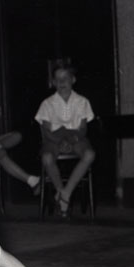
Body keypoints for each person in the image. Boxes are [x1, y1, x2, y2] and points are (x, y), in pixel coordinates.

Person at [35, 62, 96, 217]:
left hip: (75, 137)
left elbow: (83, 128)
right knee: (47, 157)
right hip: (54, 138)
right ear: (53, 82)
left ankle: (66, 193)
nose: (61, 82)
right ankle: (60, 190)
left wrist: (72, 140)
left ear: (73, 80)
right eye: (57, 79)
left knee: (89, 154)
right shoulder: (47, 103)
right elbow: (46, 130)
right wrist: (59, 141)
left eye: (65, 78)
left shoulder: (82, 101)